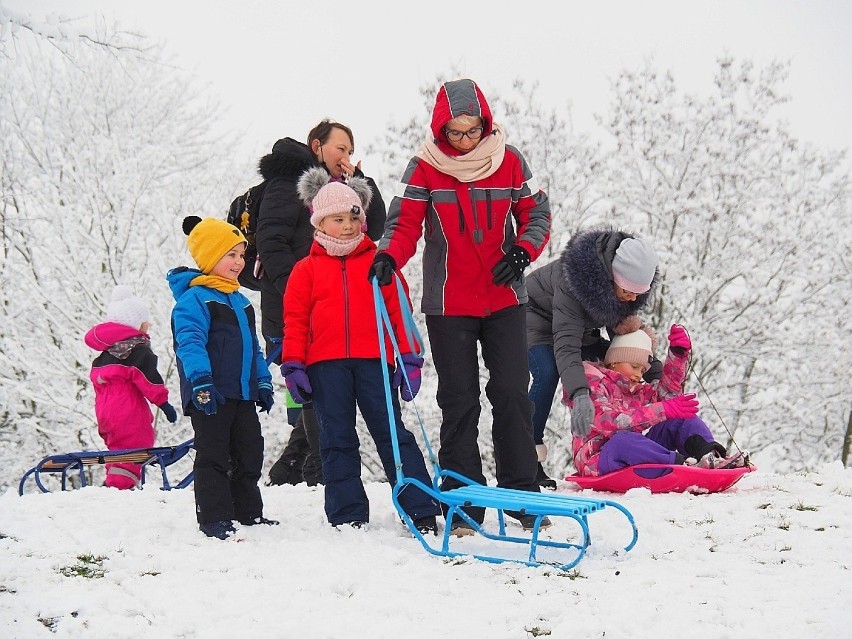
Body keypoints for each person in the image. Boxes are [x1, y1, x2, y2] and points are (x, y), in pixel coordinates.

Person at [368, 78, 551, 535]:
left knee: (512, 392)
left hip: (504, 296)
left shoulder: (508, 160)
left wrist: (524, 251)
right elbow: (405, 222)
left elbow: (536, 214)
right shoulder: (425, 168)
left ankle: (522, 495)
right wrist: (389, 254)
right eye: (456, 133)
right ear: (440, 131)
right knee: (459, 399)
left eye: (473, 131)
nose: (465, 141)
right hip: (449, 303)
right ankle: (464, 499)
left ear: (485, 125)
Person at [280, 169, 441, 534]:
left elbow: (400, 313)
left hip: (375, 362)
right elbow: (295, 320)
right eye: (338, 219)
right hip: (325, 366)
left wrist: (410, 359)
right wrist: (293, 364)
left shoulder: (379, 265)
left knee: (393, 435)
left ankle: (420, 508)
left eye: (354, 218)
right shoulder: (305, 271)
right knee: (336, 438)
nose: (348, 226)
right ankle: (347, 513)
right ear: (320, 222)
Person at [256, 119, 387, 488]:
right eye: (340, 148)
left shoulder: (337, 192)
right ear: (317, 147)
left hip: (329, 304)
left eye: (350, 151)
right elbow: (272, 243)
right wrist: (299, 290)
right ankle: (318, 471)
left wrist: (362, 183)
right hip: (293, 304)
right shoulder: (288, 184)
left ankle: (294, 471)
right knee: (313, 390)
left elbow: (374, 230)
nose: (345, 156)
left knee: (322, 390)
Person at [167, 216, 277, 540]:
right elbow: (190, 342)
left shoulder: (242, 303)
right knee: (214, 454)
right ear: (211, 257)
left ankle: (247, 512)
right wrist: (201, 381)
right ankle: (214, 517)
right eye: (231, 254)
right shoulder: (194, 300)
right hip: (210, 393)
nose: (239, 262)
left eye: (242, 255)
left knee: (249, 452)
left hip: (242, 394)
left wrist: (263, 381)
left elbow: (253, 349)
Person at [525, 228, 661, 487]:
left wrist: (655, 371)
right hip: (534, 318)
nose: (633, 299)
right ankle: (528, 455)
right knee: (549, 371)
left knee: (611, 362)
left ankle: (612, 441)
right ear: (612, 278)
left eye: (638, 294)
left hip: (575, 327)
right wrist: (579, 392)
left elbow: (625, 341)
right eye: (628, 292)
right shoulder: (574, 284)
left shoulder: (625, 287)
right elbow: (566, 345)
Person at [570, 324, 748, 476]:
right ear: (615, 360)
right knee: (624, 441)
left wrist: (677, 357)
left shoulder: (635, 390)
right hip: (598, 459)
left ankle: (710, 458)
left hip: (634, 454)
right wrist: (663, 409)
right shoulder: (592, 383)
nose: (638, 374)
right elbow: (608, 422)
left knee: (681, 418)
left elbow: (667, 394)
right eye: (634, 366)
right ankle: (684, 465)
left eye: (642, 370)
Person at [84, 284, 178, 490]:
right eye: (145, 322)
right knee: (136, 444)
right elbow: (149, 379)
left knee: (117, 449)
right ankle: (120, 488)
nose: (148, 325)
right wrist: (164, 403)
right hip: (128, 411)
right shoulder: (137, 351)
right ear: (135, 325)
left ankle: (113, 482)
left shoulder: (105, 356)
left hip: (106, 414)